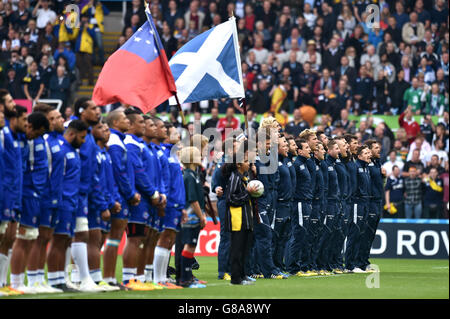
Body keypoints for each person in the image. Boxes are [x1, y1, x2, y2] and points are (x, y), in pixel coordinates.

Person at [25, 104, 65, 293]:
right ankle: (33, 279)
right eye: (54, 118)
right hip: (43, 195)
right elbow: (43, 170)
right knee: (39, 238)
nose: (59, 120)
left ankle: (40, 279)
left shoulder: (56, 141)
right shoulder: (45, 140)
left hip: (54, 196)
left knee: (46, 237)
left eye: (59, 117)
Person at [121, 110, 162, 291]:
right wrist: (152, 193)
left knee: (143, 239)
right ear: (130, 124)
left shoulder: (142, 146)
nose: (145, 126)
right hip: (139, 198)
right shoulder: (131, 145)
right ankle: (129, 279)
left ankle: (140, 278)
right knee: (135, 239)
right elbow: (138, 172)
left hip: (147, 198)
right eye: (142, 123)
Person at [9, 111, 49, 293]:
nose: (31, 133)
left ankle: (20, 282)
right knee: (22, 238)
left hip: (34, 194)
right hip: (25, 193)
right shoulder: (24, 141)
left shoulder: (32, 141)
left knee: (30, 238)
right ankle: (15, 282)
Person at [102, 110, 141, 288]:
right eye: (125, 119)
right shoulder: (115, 142)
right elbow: (119, 172)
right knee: (112, 238)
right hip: (118, 196)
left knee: (112, 238)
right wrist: (130, 193)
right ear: (116, 122)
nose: (128, 122)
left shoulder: (119, 140)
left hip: (119, 195)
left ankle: (108, 277)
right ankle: (107, 277)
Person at [0, 103, 25, 295]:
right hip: (5, 192)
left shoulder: (14, 137)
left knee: (9, 238)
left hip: (12, 193)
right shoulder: (5, 135)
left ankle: (2, 282)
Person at [223, 140, 256, 285]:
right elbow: (230, 198)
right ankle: (235, 278)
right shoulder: (235, 177)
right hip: (238, 220)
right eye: (246, 161)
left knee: (244, 249)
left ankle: (242, 276)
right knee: (237, 249)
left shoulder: (245, 177)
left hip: (246, 218)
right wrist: (247, 194)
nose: (249, 163)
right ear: (238, 164)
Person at [177, 146, 207, 288]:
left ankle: (188, 277)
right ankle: (185, 278)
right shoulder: (189, 176)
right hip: (191, 217)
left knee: (191, 246)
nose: (200, 155)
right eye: (197, 154)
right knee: (189, 246)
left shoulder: (193, 175)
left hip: (195, 216)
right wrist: (201, 216)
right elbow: (193, 200)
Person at [345, 145, 371, 273]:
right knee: (354, 234)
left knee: (360, 234)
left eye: (369, 152)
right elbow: (353, 187)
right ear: (359, 156)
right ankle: (350, 265)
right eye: (366, 153)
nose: (368, 155)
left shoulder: (366, 168)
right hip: (357, 204)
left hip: (364, 203)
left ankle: (356, 263)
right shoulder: (356, 167)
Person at [362, 140, 385, 273]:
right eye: (376, 148)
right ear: (369, 150)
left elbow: (379, 185)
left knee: (370, 235)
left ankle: (364, 261)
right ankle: (360, 262)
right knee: (365, 234)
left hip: (377, 201)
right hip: (370, 202)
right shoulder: (368, 166)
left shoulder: (377, 163)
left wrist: (384, 177)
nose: (378, 150)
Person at [272, 134, 292, 275]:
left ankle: (278, 266)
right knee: (275, 238)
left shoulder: (285, 161)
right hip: (278, 205)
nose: (287, 147)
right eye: (284, 145)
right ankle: (270, 267)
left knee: (283, 239)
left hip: (287, 205)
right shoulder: (274, 162)